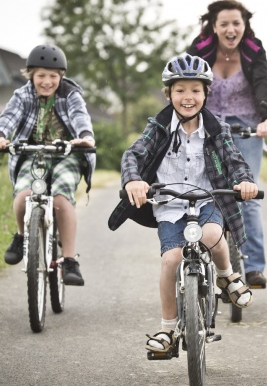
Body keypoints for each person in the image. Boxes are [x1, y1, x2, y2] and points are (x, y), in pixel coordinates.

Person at [107, 54, 258, 353]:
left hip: (208, 199)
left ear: (206, 93)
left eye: (195, 90)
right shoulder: (159, 127)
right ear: (168, 94)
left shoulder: (218, 130)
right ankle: (167, 329)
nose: (188, 97)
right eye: (180, 90)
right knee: (171, 260)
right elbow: (132, 155)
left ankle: (227, 277)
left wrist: (244, 181)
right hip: (169, 204)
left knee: (213, 235)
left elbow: (235, 162)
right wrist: (133, 180)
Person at [187, 0, 267, 288]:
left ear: (245, 25)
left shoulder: (253, 51)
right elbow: (185, 87)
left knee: (248, 195)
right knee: (203, 193)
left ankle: (254, 268)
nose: (231, 29)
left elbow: (263, 84)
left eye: (237, 23)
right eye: (224, 23)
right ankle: (199, 259)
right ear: (214, 26)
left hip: (247, 126)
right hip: (207, 126)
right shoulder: (199, 51)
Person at [0, 44, 96, 286]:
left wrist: (85, 137)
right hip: (32, 153)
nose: (47, 81)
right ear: (31, 75)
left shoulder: (70, 94)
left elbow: (80, 117)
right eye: (41, 76)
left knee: (60, 200)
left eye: (53, 76)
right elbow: (9, 116)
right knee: (23, 194)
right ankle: (21, 235)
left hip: (66, 154)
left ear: (61, 77)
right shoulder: (23, 95)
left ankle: (69, 260)